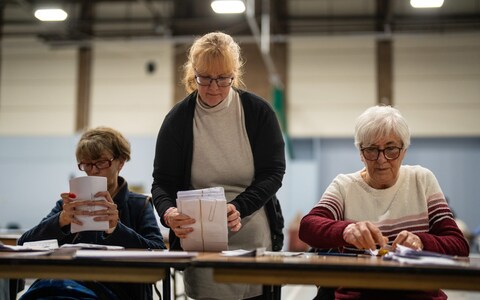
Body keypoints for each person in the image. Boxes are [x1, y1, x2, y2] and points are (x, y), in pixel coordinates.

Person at [151, 31, 286, 300]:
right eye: (205, 78)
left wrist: (239, 206)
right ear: (193, 74)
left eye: (223, 79)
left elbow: (273, 173)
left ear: (234, 74)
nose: (214, 87)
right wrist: (168, 214)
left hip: (252, 235)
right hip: (201, 242)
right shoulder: (177, 120)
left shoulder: (258, 113)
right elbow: (162, 183)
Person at [299, 105, 469, 300]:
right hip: (358, 295)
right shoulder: (345, 185)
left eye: (391, 149)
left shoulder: (422, 180)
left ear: (404, 150)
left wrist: (422, 241)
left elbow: (458, 245)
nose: (381, 159)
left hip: (418, 295)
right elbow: (307, 226)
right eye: (371, 149)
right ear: (361, 153)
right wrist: (346, 230)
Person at [18, 126, 165, 300]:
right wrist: (60, 221)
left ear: (121, 162)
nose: (93, 170)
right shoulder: (67, 206)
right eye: (86, 164)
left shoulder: (138, 205)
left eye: (101, 162)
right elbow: (24, 243)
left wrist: (116, 229)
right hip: (61, 284)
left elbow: (158, 253)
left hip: (114, 288)